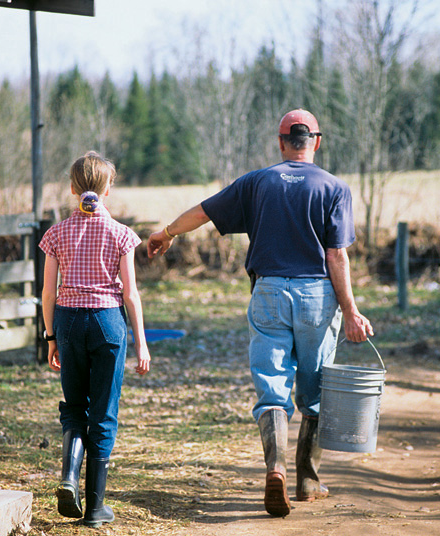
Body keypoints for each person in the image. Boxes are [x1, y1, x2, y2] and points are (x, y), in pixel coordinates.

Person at [147, 109, 373, 517]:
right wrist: (351, 310)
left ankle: (276, 468)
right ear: (316, 142)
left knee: (272, 389)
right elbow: (336, 255)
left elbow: (202, 212)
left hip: (268, 291)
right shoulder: (334, 188)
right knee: (316, 390)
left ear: (281, 142)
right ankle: (307, 480)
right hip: (317, 297)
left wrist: (166, 234)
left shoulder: (257, 182)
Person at [40, 151, 151, 528]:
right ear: (109, 189)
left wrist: (51, 337)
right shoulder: (121, 235)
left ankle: (69, 478)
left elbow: (48, 293)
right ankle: (95, 508)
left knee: (75, 405)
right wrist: (141, 343)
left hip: (68, 323)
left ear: (73, 189)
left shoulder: (56, 234)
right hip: (107, 323)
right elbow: (131, 295)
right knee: (103, 412)